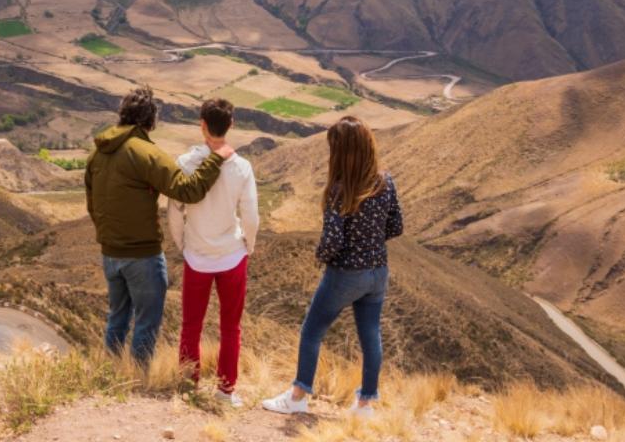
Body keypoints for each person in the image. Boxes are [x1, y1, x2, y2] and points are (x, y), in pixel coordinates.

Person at [262, 116, 403, 418]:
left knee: (312, 331)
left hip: (345, 273)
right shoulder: (386, 181)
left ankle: (298, 396)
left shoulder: (339, 190)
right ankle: (365, 405)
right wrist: (371, 243)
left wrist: (321, 257)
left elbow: (332, 240)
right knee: (370, 335)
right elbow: (396, 226)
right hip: (377, 272)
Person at [85, 87, 234, 366]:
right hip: (142, 256)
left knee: (116, 319)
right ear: (151, 120)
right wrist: (216, 158)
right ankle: (139, 383)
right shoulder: (145, 153)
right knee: (146, 322)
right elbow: (188, 190)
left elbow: (92, 205)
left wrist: (110, 237)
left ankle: (108, 376)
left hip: (110, 253)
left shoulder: (98, 153)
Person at [169, 98, 259, 407]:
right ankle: (225, 391)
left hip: (197, 256)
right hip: (232, 256)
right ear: (231, 124)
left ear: (202, 124)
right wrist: (250, 243)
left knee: (191, 325)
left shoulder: (185, 163)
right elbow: (251, 215)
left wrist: (182, 244)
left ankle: (187, 384)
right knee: (230, 327)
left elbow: (174, 211)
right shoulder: (242, 167)